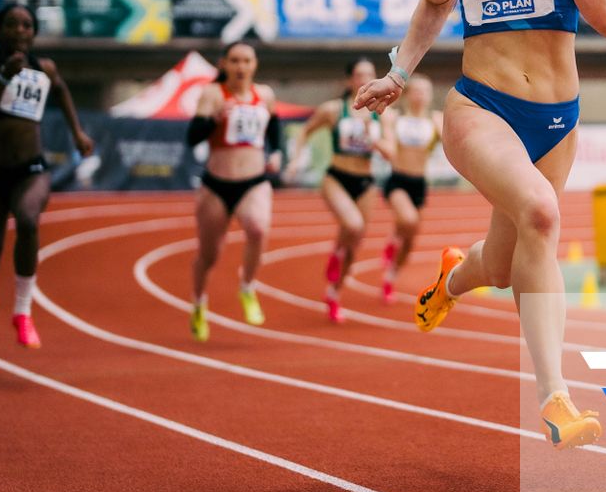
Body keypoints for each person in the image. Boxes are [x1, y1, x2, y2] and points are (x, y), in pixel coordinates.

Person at [356, 0, 606, 448]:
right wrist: (398, 73)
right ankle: (556, 397)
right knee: (540, 214)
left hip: (557, 118)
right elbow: (432, 7)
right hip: (482, 106)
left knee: (503, 267)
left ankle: (454, 276)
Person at [0, 3, 94, 349]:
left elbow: (63, 91)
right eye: (11, 24)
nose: (20, 31)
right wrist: (4, 77)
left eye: (27, 25)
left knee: (27, 221)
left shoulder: (44, 68)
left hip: (31, 169)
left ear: (34, 33)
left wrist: (78, 133)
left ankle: (22, 312)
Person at [185, 39, 283, 342]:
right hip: (216, 185)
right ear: (224, 64)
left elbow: (274, 126)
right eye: (235, 61)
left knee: (257, 228)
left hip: (253, 181)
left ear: (254, 65)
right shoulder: (213, 94)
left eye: (247, 61)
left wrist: (276, 152)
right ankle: (199, 302)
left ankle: (247, 287)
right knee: (209, 255)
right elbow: (192, 138)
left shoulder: (263, 94)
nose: (241, 67)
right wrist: (215, 118)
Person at [288, 59, 389, 324]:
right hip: (336, 177)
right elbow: (304, 132)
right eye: (358, 75)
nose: (364, 79)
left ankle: (334, 293)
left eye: (369, 74)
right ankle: (336, 251)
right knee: (352, 225)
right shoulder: (333, 110)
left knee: (355, 247)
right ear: (349, 80)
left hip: (366, 182)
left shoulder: (382, 111)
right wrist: (296, 160)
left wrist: (375, 139)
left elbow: (392, 154)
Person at [378, 75, 444, 303]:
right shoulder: (395, 118)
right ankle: (394, 239)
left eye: (425, 91)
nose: (421, 96)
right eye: (416, 91)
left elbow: (449, 140)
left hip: (419, 183)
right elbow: (385, 138)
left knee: (411, 239)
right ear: (407, 94)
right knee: (408, 220)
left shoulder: (435, 119)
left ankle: (391, 275)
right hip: (397, 180)